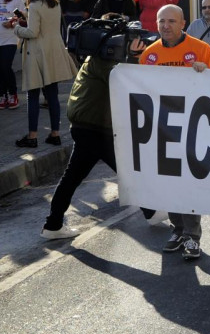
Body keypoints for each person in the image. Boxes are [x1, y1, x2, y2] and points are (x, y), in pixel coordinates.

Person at [41, 25, 153, 241]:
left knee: (73, 177)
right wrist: (135, 57)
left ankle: (53, 224)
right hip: (95, 128)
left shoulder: (96, 57)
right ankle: (152, 211)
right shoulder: (104, 62)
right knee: (127, 170)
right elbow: (125, 82)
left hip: (88, 126)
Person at [138, 4, 210, 261]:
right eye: (162, 21)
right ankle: (178, 229)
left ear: (183, 23)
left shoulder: (201, 49)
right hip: (163, 128)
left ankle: (193, 237)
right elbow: (139, 89)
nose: (166, 26)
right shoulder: (149, 55)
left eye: (172, 21)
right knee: (169, 181)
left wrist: (205, 72)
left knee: (189, 183)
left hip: (194, 127)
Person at [13, 0, 76, 148]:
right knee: (52, 95)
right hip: (53, 51)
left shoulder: (33, 6)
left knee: (33, 95)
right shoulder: (55, 4)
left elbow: (33, 32)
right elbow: (46, 24)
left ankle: (32, 136)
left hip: (37, 53)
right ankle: (55, 133)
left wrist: (17, 29)